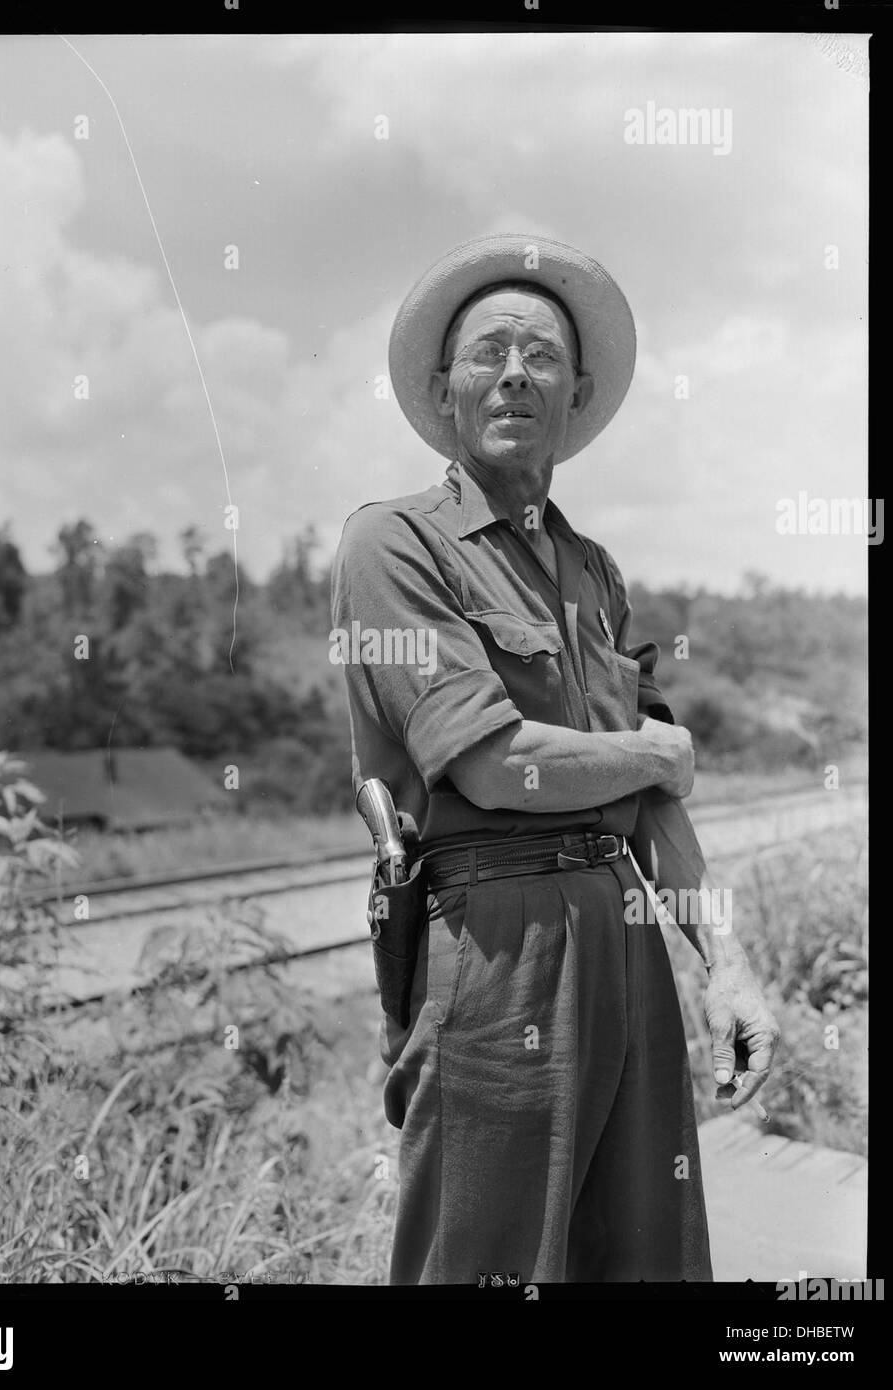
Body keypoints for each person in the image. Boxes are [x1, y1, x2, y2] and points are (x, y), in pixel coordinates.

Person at [330, 234, 780, 1285]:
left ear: (575, 397)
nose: (515, 374)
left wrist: (731, 968)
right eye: (488, 353)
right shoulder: (391, 544)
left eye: (541, 357)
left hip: (624, 948)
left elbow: (655, 805)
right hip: (494, 952)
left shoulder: (594, 572)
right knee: (488, 1261)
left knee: (646, 1260)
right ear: (444, 391)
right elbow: (492, 768)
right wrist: (650, 752)